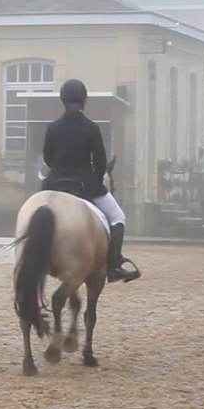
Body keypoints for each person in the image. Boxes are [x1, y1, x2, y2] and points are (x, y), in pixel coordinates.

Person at [41, 78, 140, 283]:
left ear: (62, 100)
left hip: (54, 183)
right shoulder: (91, 128)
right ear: (84, 101)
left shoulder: (53, 127)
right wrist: (93, 181)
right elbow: (101, 163)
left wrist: (58, 173)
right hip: (84, 184)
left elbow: (47, 158)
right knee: (118, 217)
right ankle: (113, 266)